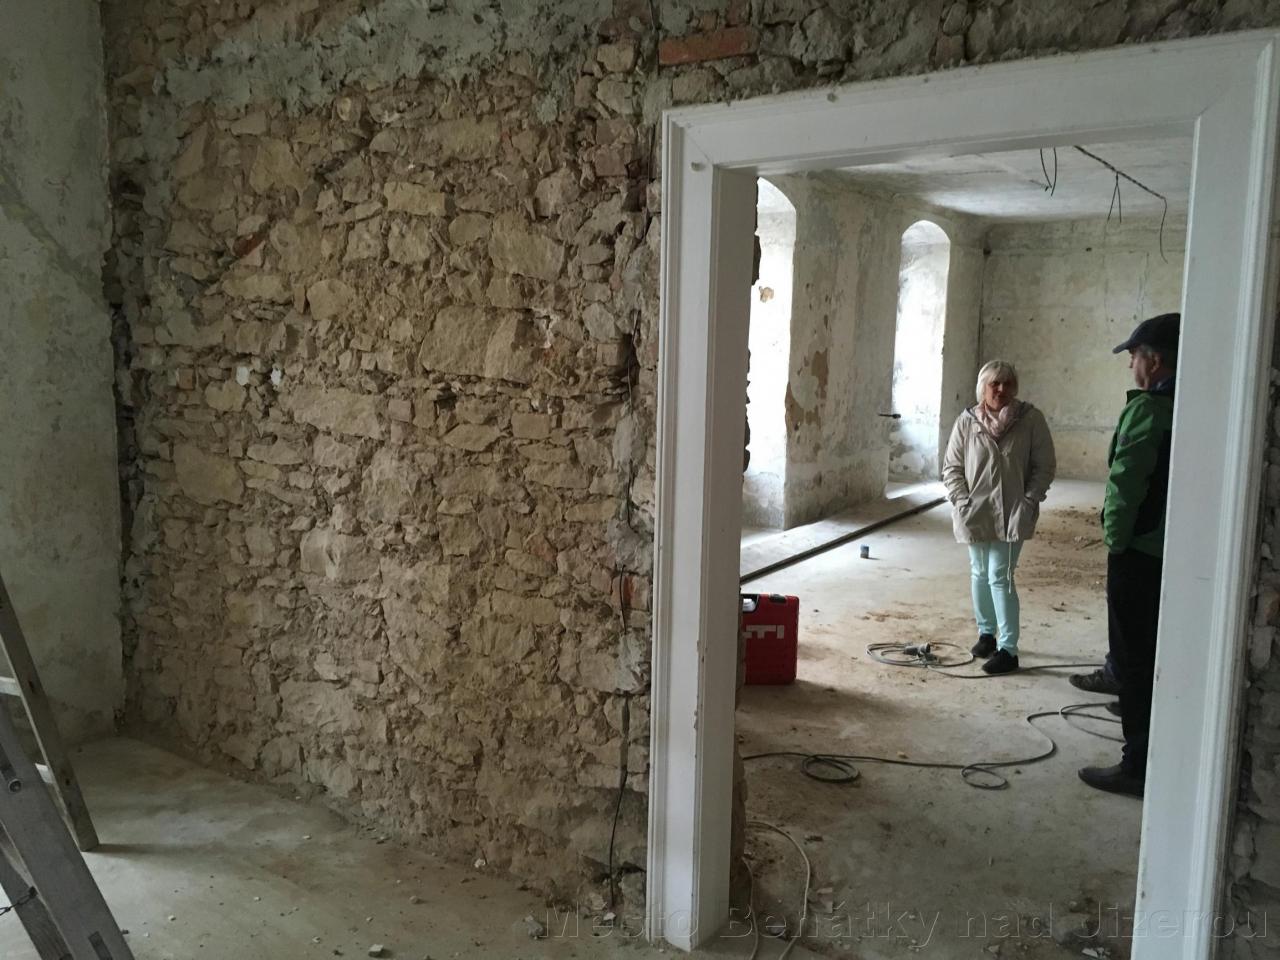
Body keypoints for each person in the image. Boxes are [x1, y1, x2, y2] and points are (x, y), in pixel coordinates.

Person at [1079, 312, 1179, 798]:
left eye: (1134, 356)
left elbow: (1125, 484)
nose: (1130, 365)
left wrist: (1115, 542)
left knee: (1134, 657)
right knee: (1157, 648)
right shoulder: (1193, 404)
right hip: (1171, 550)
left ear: (1154, 361)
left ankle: (1136, 765)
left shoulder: (1149, 411)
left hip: (1139, 552)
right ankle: (1151, 729)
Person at [942, 360, 1057, 675]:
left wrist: (1030, 499)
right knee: (979, 572)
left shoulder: (1030, 420)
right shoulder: (967, 422)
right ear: (983, 387)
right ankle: (986, 634)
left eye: (1008, 383)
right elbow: (952, 466)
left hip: (1013, 510)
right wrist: (961, 499)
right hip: (975, 510)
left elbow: (1045, 465)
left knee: (1000, 575)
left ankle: (1008, 650)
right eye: (995, 383)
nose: (1002, 389)